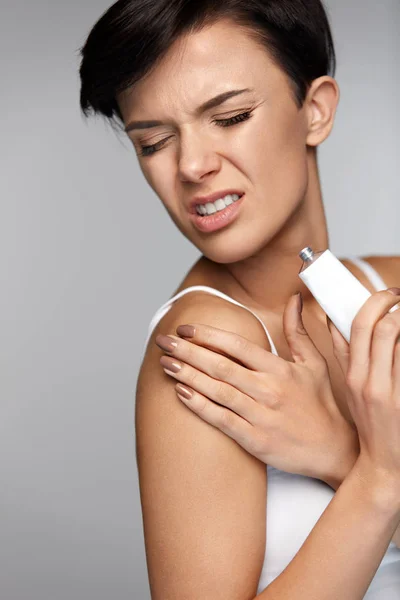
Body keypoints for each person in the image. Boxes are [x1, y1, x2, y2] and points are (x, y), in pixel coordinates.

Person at [78, 1, 400, 597]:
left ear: (316, 111)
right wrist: (378, 480)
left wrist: (341, 456)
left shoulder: (386, 289)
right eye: (154, 143)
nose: (193, 166)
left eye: (230, 116)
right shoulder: (207, 351)